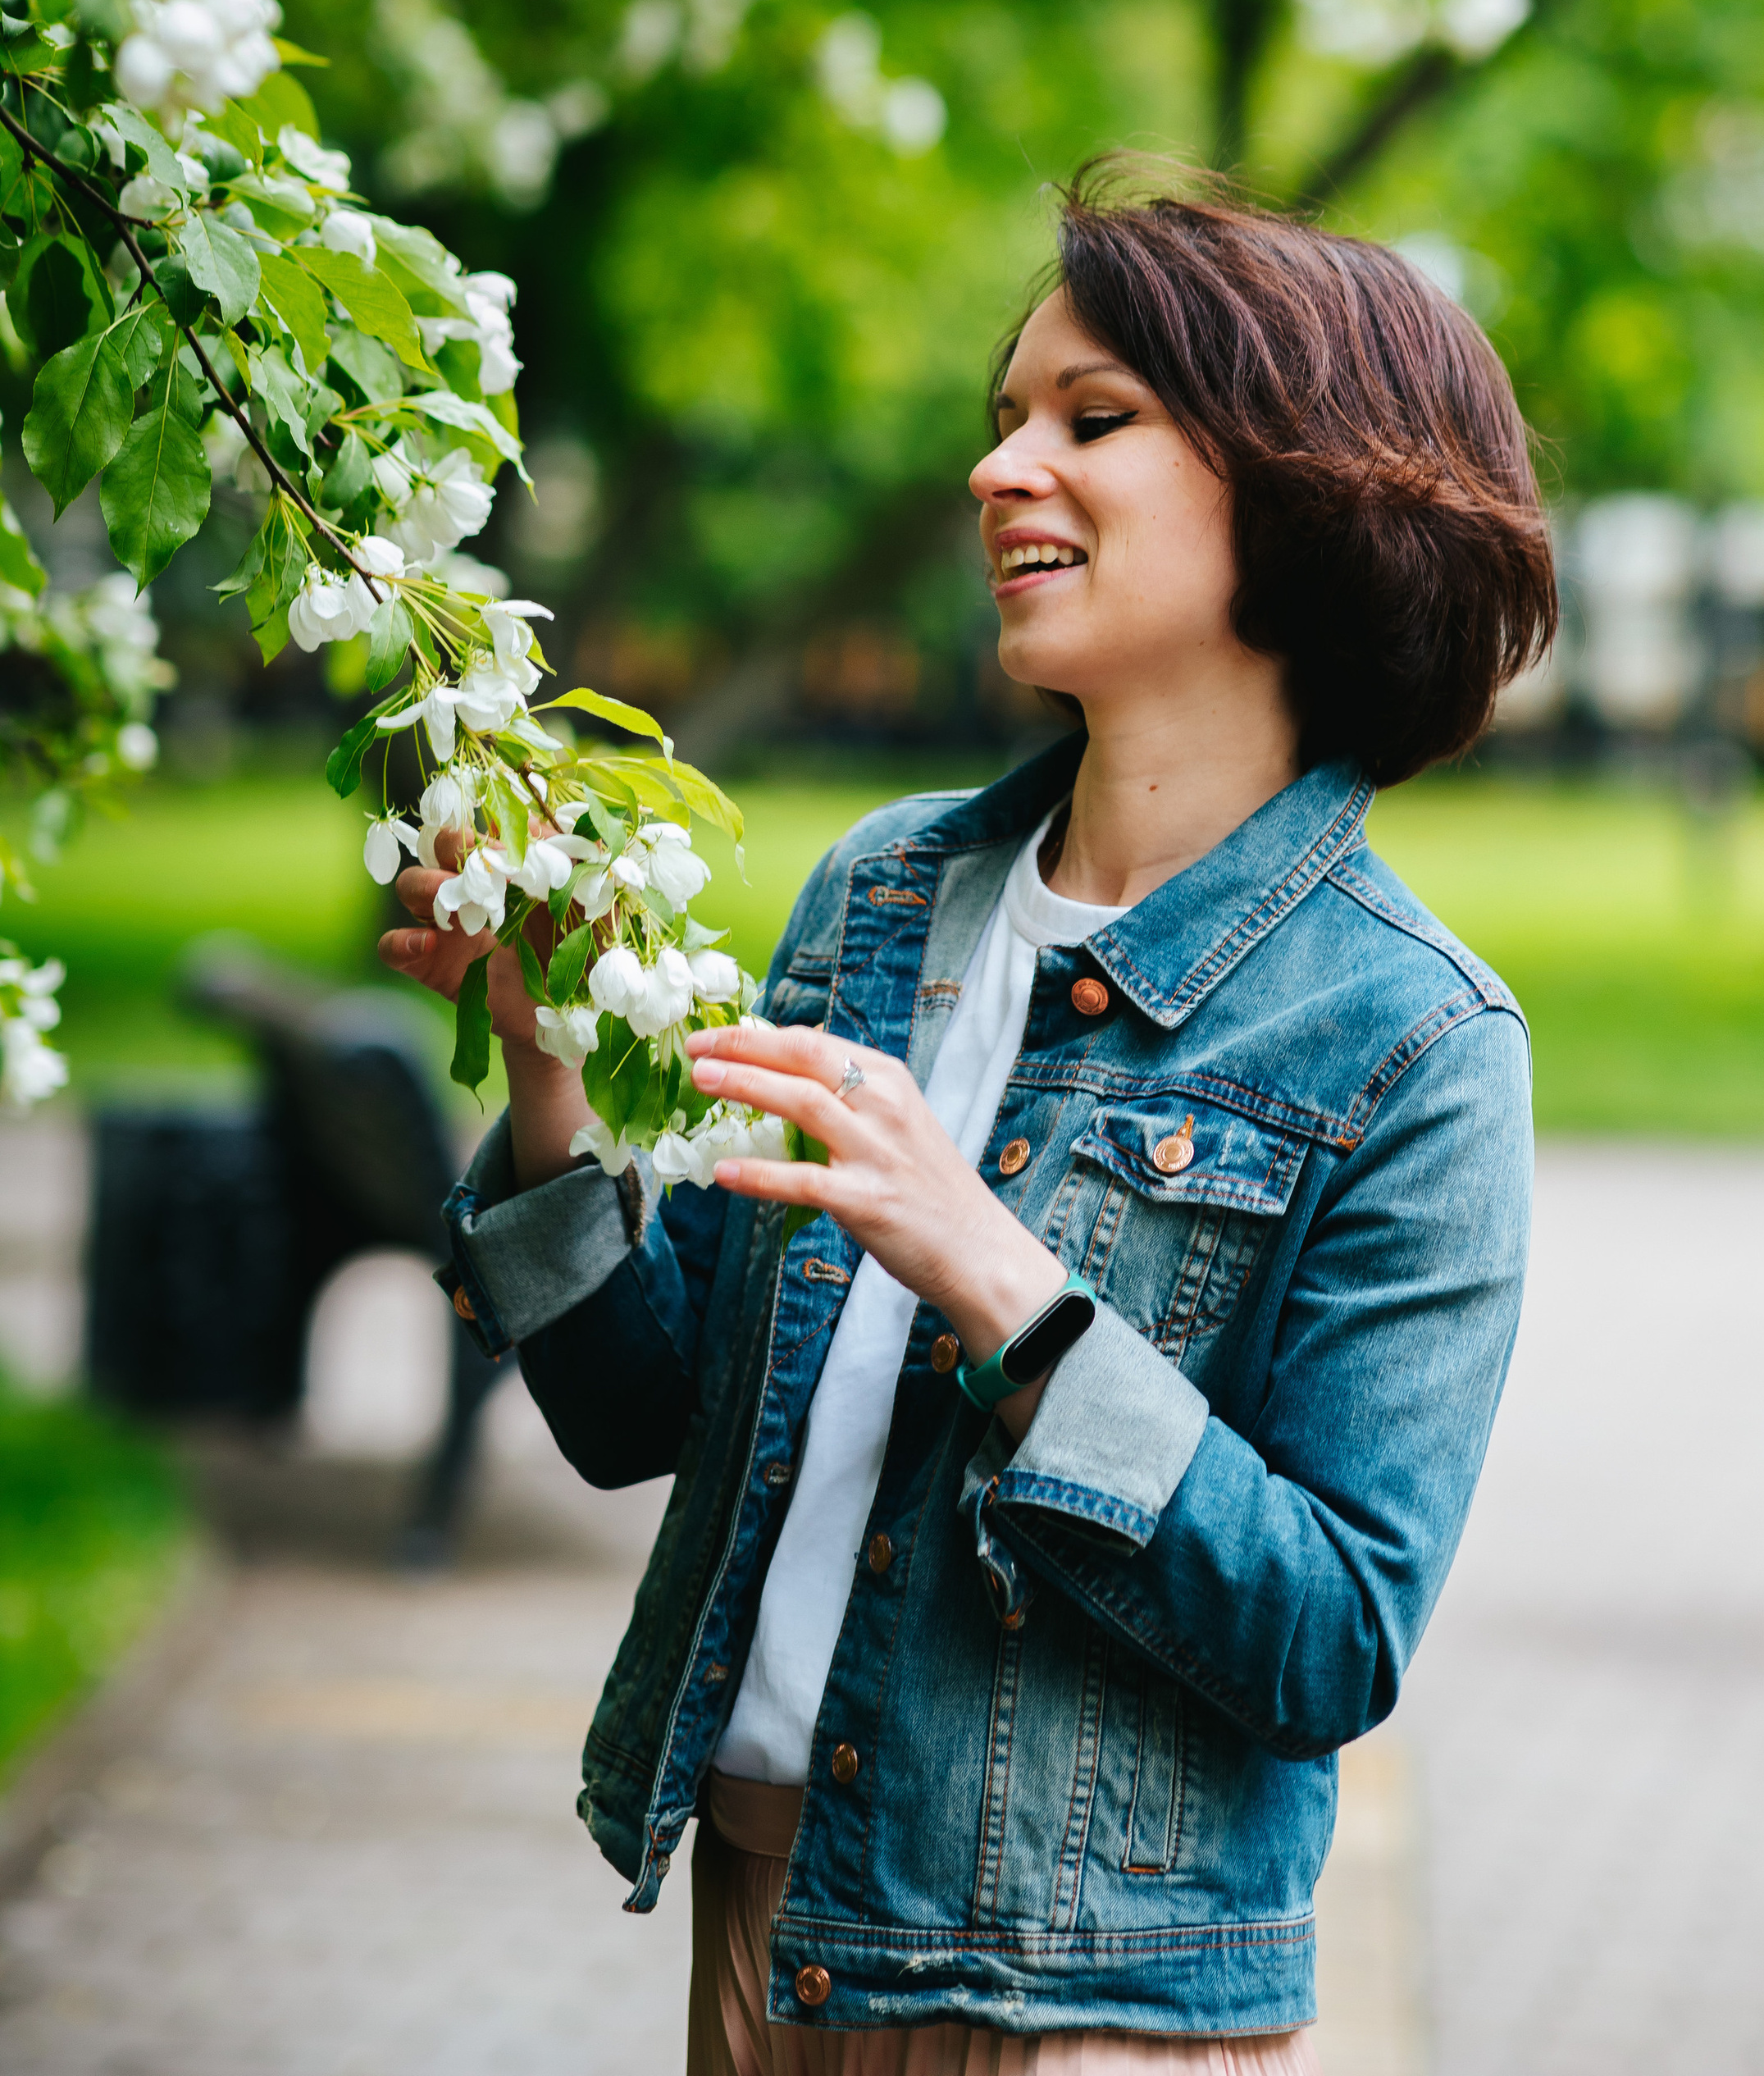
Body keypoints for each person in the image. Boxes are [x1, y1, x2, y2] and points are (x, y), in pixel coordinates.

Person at [383, 167, 1557, 2076]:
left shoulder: (1411, 1040)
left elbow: (1332, 1639)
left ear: (1306, 487)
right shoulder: (879, 897)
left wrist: (998, 1284)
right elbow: (632, 1415)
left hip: (1077, 2013)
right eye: (1003, 420)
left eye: (1090, 421)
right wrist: (544, 1073)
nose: (1001, 469)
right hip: (765, 1933)